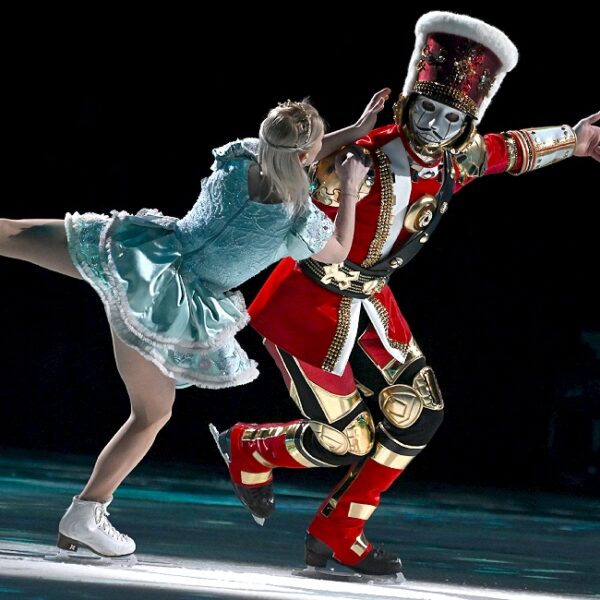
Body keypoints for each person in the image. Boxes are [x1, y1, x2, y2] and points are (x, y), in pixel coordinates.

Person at [213, 11, 599, 577]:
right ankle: (251, 447)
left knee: (420, 414)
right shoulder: (360, 160)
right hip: (308, 308)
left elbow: (508, 149)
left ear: (464, 124)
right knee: (347, 441)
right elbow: (291, 192)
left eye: (452, 118)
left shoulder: (454, 160)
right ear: (407, 103)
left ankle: (338, 530)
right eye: (427, 110)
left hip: (372, 303)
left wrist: (573, 140)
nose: (436, 126)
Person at [0, 89, 391, 557]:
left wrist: (353, 130)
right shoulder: (298, 219)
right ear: (308, 155)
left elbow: (289, 150)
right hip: (169, 303)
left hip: (140, 251)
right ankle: (85, 513)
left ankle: (87, 514)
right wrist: (349, 185)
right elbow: (340, 250)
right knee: (151, 415)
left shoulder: (241, 157)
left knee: (14, 233)